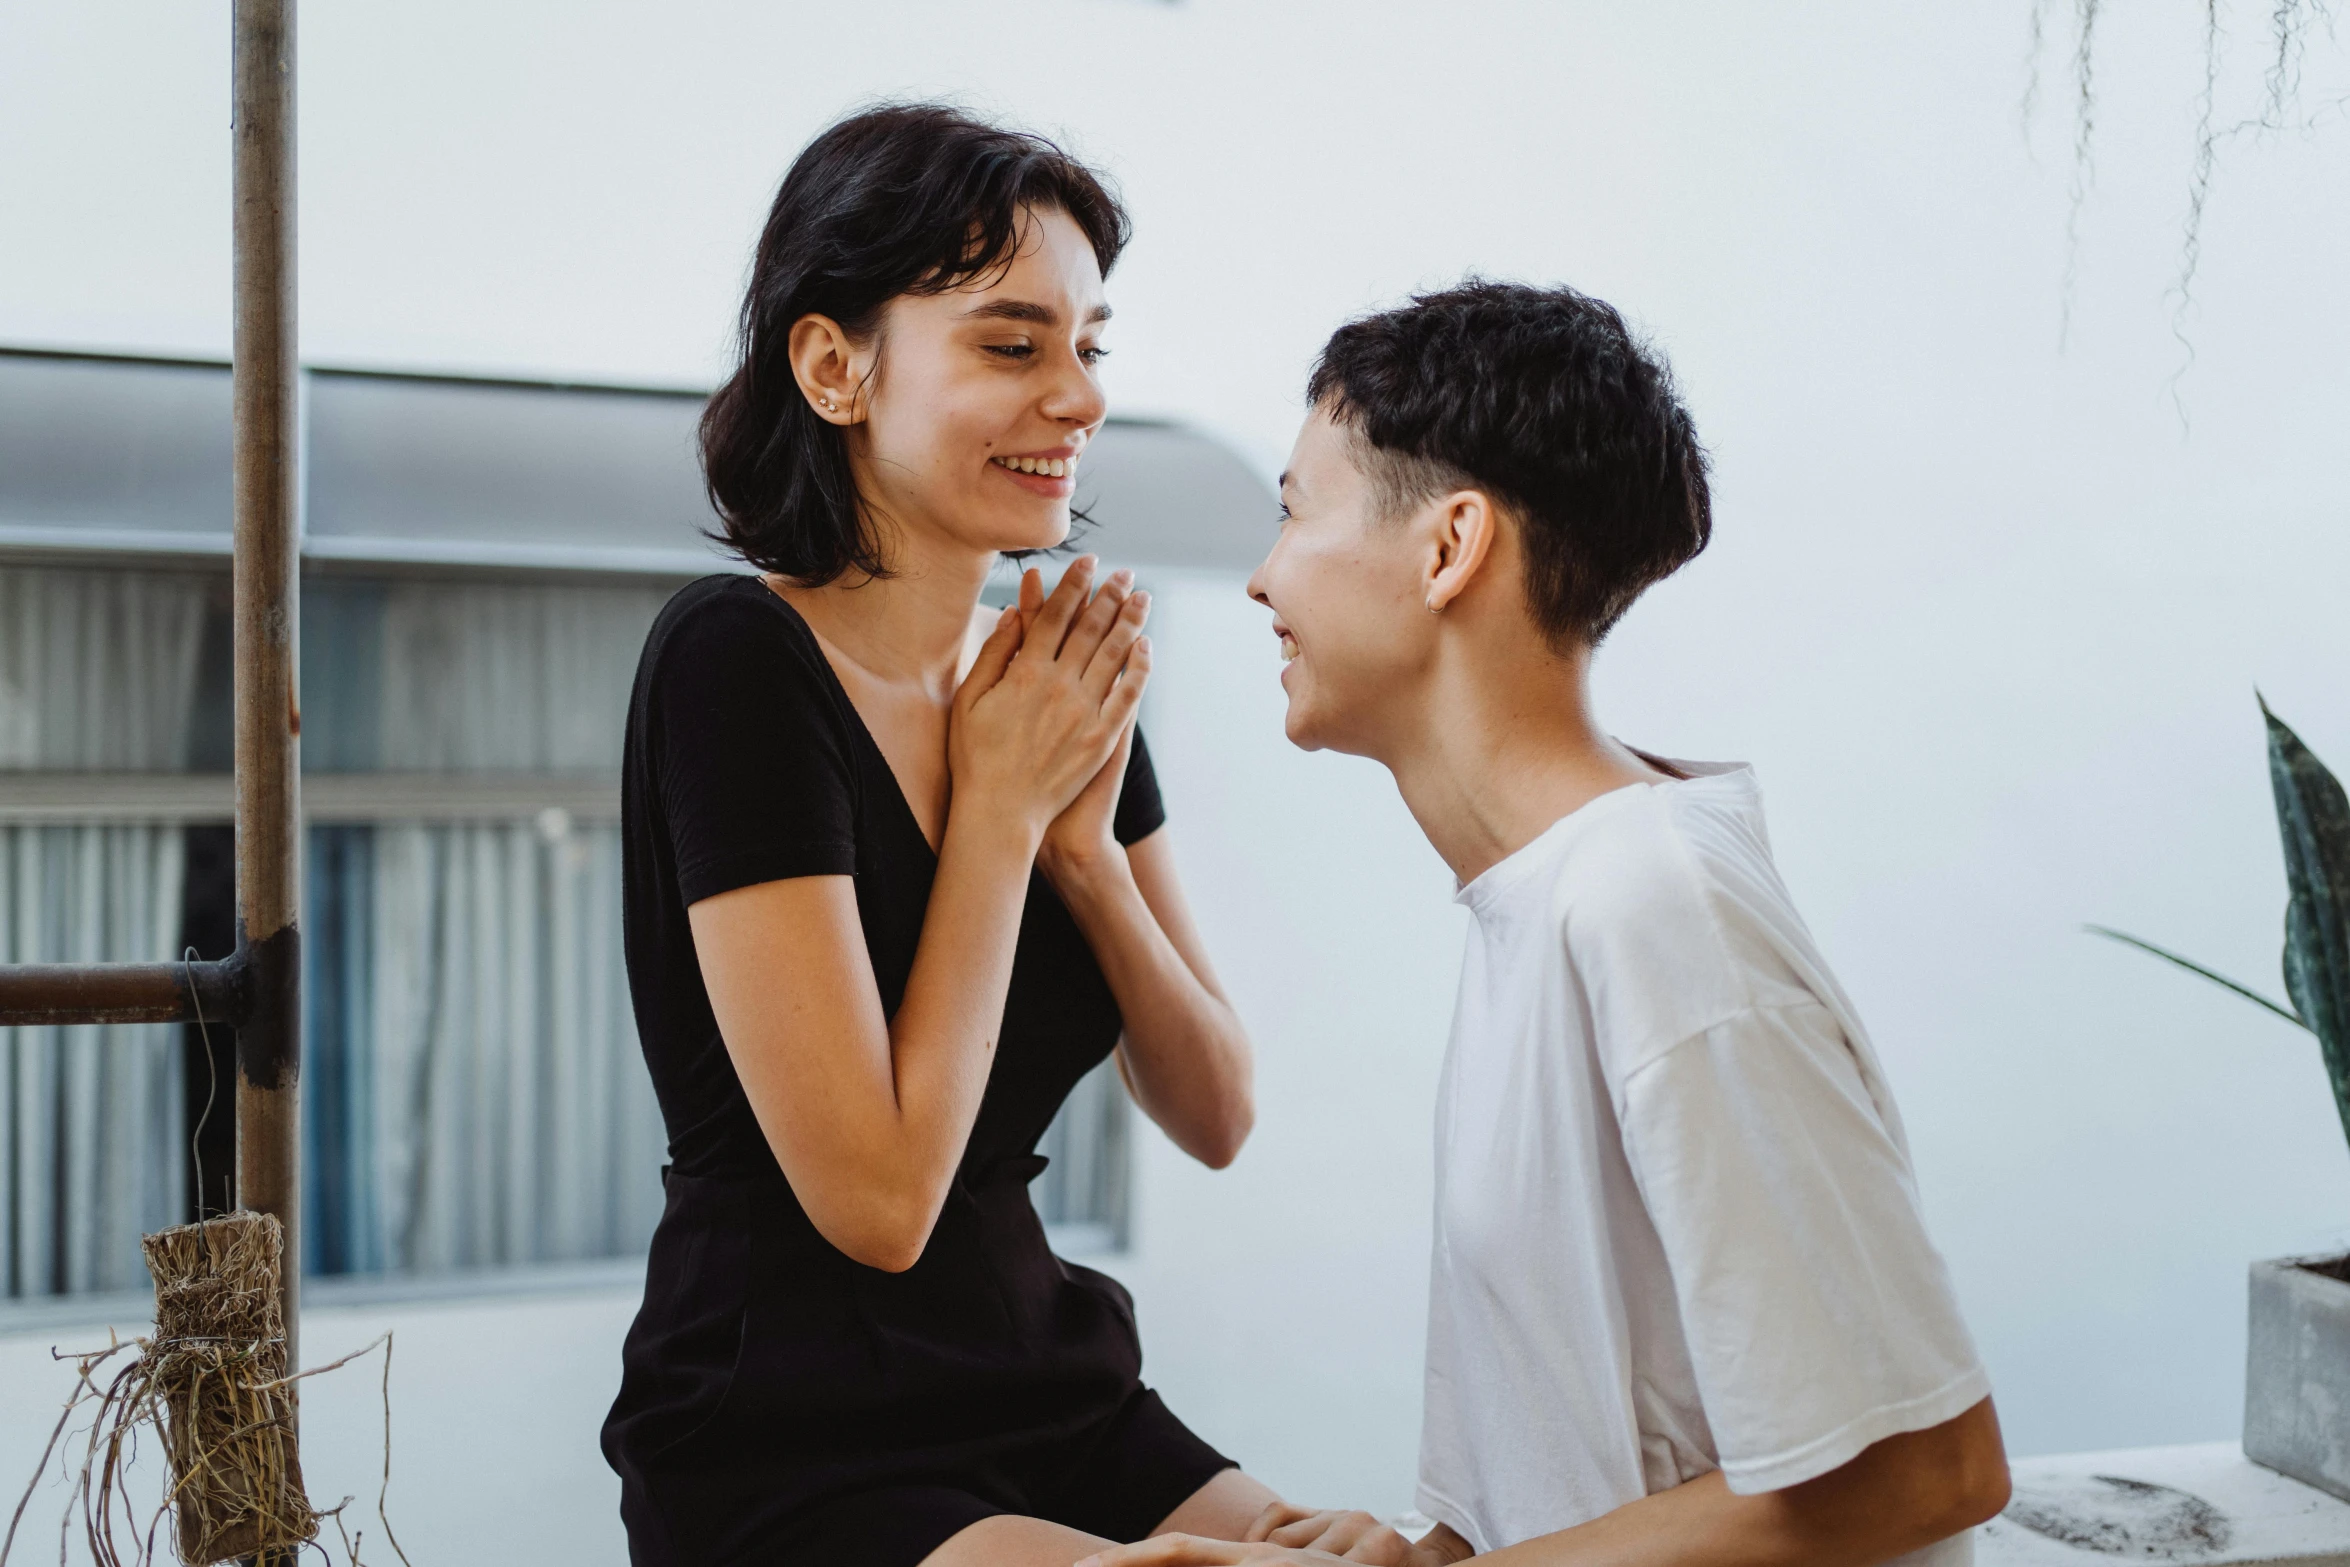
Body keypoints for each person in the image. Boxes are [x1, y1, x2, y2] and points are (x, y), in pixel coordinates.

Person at [1080, 282, 2011, 1567]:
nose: (1259, 577)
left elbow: (1924, 1467)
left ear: (1448, 547)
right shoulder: (1540, 903)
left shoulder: (1653, 903)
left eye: (1293, 512)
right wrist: (1422, 1552)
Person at [601, 105, 1289, 1567]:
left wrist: (1084, 856)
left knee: (1375, 1546)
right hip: (790, 1435)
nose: (1079, 397)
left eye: (1088, 347)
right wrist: (996, 814)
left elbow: (1217, 1109)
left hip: (1046, 1378)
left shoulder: (1044, 684)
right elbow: (880, 1199)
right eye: (1010, 343)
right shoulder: (735, 659)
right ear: (832, 365)